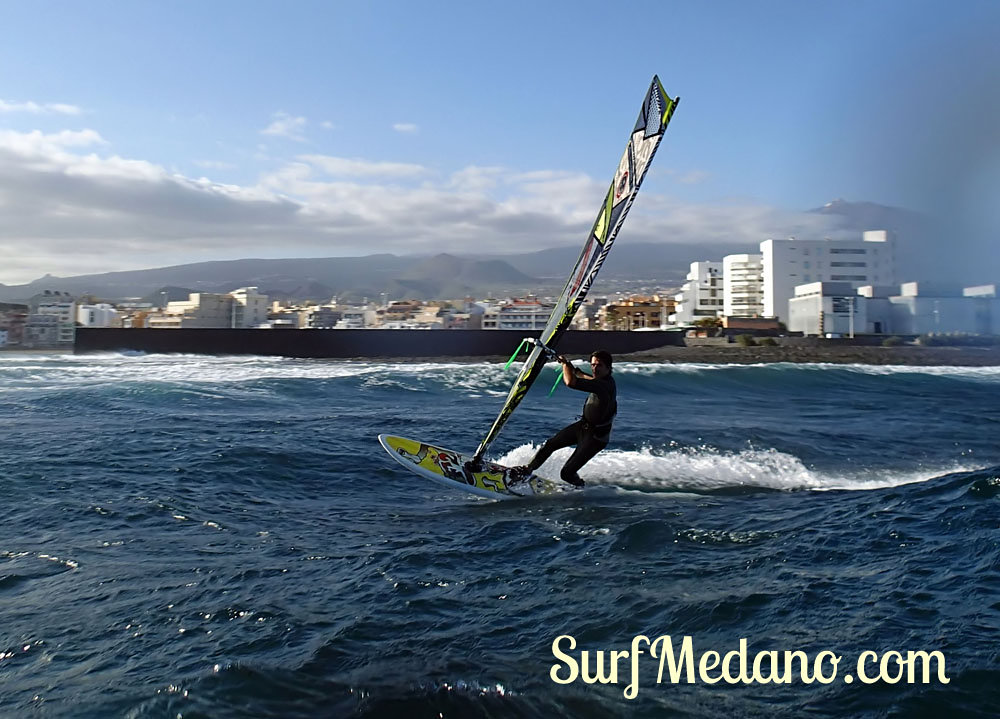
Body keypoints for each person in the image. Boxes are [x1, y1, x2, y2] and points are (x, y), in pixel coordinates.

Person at [510, 349, 617, 487]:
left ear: (608, 367)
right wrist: (576, 371)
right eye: (592, 365)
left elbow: (570, 383)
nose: (594, 368)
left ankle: (580, 487)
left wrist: (565, 365)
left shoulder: (604, 385)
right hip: (584, 426)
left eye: (599, 365)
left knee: (566, 473)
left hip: (595, 438)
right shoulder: (604, 381)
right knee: (550, 444)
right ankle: (527, 470)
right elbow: (589, 379)